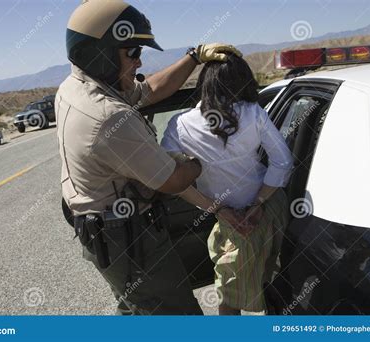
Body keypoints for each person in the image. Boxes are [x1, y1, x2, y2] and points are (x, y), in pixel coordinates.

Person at [56, 0, 242, 315]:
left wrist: (193, 57)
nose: (140, 62)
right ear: (101, 53)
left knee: (135, 308)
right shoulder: (108, 117)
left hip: (106, 234)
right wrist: (205, 155)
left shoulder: (79, 87)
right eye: (133, 53)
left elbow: (151, 89)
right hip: (127, 241)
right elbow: (173, 180)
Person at [161, 53, 294, 315]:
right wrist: (258, 203)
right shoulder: (253, 112)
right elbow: (283, 162)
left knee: (229, 295)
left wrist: (218, 210)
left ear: (205, 84)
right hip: (270, 209)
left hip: (232, 222)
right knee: (274, 282)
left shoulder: (180, 125)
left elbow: (170, 179)